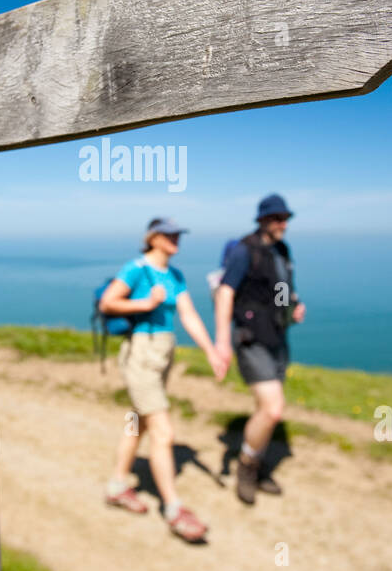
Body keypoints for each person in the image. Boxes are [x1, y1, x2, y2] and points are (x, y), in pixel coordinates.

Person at [100, 217, 227, 542]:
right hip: (141, 355)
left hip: (163, 355)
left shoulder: (175, 275)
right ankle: (173, 509)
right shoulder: (136, 269)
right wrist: (146, 303)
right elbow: (108, 303)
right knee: (163, 431)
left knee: (139, 422)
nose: (176, 240)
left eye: (178, 235)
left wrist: (212, 350)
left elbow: (188, 314)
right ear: (152, 237)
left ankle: (117, 486)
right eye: (169, 235)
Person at [213, 194, 306, 505]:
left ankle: (257, 459)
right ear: (263, 219)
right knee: (272, 409)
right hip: (251, 340)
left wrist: (291, 307)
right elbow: (226, 293)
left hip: (277, 338)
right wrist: (222, 341)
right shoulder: (244, 250)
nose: (284, 224)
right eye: (278, 218)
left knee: (266, 411)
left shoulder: (281, 250)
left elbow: (280, 289)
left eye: (286, 218)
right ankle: (248, 468)